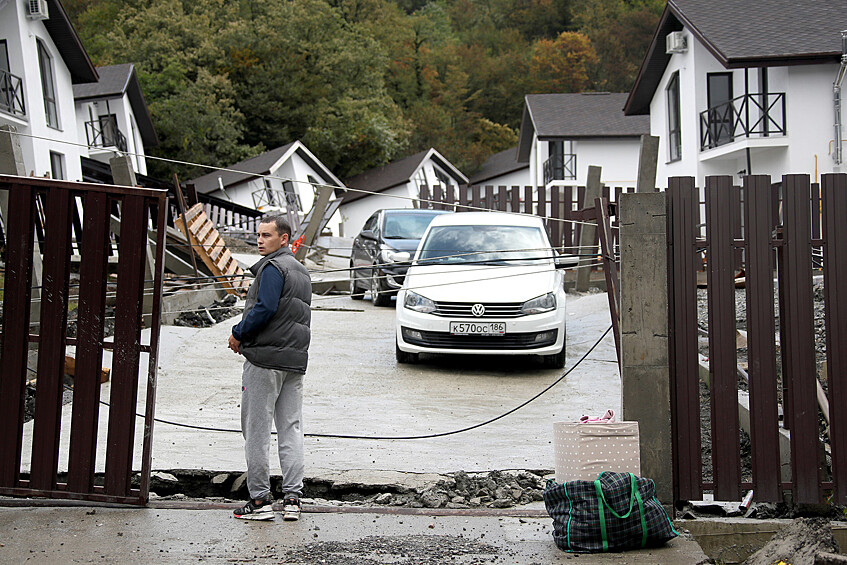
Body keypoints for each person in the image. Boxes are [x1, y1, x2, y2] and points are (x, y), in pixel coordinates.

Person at [228, 215, 311, 521]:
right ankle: (292, 499)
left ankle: (260, 501)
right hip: (294, 363)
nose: (259, 240)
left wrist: (238, 333)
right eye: (258, 235)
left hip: (264, 362)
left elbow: (265, 308)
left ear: (284, 239)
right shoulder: (302, 272)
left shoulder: (272, 268)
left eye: (266, 235)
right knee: (291, 429)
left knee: (257, 431)